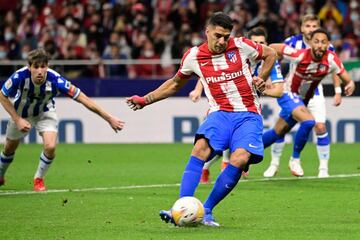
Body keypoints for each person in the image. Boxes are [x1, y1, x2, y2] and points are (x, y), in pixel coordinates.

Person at [126, 12, 277, 227]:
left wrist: (261, 77)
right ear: (207, 31)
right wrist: (145, 100)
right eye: (218, 35)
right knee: (200, 149)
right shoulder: (193, 56)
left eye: (226, 36)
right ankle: (180, 207)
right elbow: (174, 84)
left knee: (240, 158)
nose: (222, 41)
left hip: (248, 114)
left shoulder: (242, 45)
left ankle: (206, 210)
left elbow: (271, 54)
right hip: (219, 114)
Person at [0, 48, 125, 191]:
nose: (40, 71)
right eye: (36, 67)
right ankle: (1, 175)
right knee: (9, 148)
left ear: (47, 66)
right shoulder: (19, 77)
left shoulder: (55, 79)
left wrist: (108, 118)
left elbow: (82, 98)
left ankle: (39, 179)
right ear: (29, 67)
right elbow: (2, 95)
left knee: (50, 147)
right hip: (20, 113)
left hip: (45, 113)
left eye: (43, 66)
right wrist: (17, 119)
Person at [190, 26, 285, 184]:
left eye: (261, 42)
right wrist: (197, 90)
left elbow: (279, 91)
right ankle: (213, 166)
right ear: (249, 43)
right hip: (222, 106)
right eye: (255, 42)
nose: (258, 44)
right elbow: (208, 71)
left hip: (247, 108)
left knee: (229, 145)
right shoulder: (236, 54)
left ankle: (209, 167)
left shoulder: (269, 62)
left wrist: (262, 89)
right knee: (219, 142)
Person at [262, 28, 355, 178]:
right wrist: (268, 73)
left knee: (277, 132)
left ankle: (248, 152)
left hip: (301, 100)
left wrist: (350, 84)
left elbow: (345, 77)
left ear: (328, 44)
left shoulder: (331, 59)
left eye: (323, 42)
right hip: (287, 93)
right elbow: (272, 48)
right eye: (316, 41)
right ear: (310, 43)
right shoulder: (299, 55)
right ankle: (295, 159)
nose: (320, 45)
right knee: (309, 122)